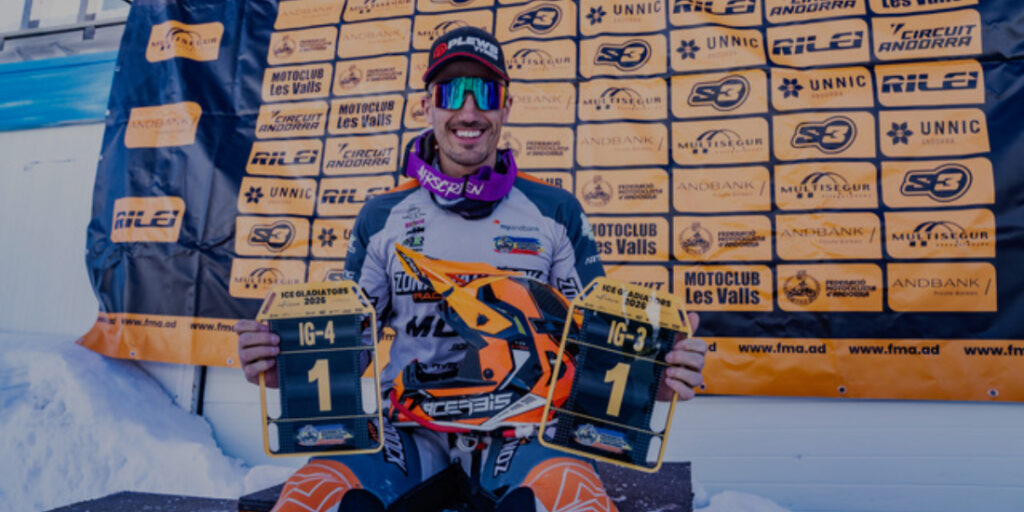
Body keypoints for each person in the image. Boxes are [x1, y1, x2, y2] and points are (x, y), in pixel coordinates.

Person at [235, 26, 707, 512]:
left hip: (523, 429)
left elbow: (595, 346)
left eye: (485, 93)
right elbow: (348, 349)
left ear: (506, 106)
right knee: (314, 498)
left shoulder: (555, 210)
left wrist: (658, 379)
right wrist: (282, 369)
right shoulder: (381, 216)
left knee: (572, 500)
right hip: (410, 430)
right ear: (427, 107)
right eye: (450, 92)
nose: (468, 111)